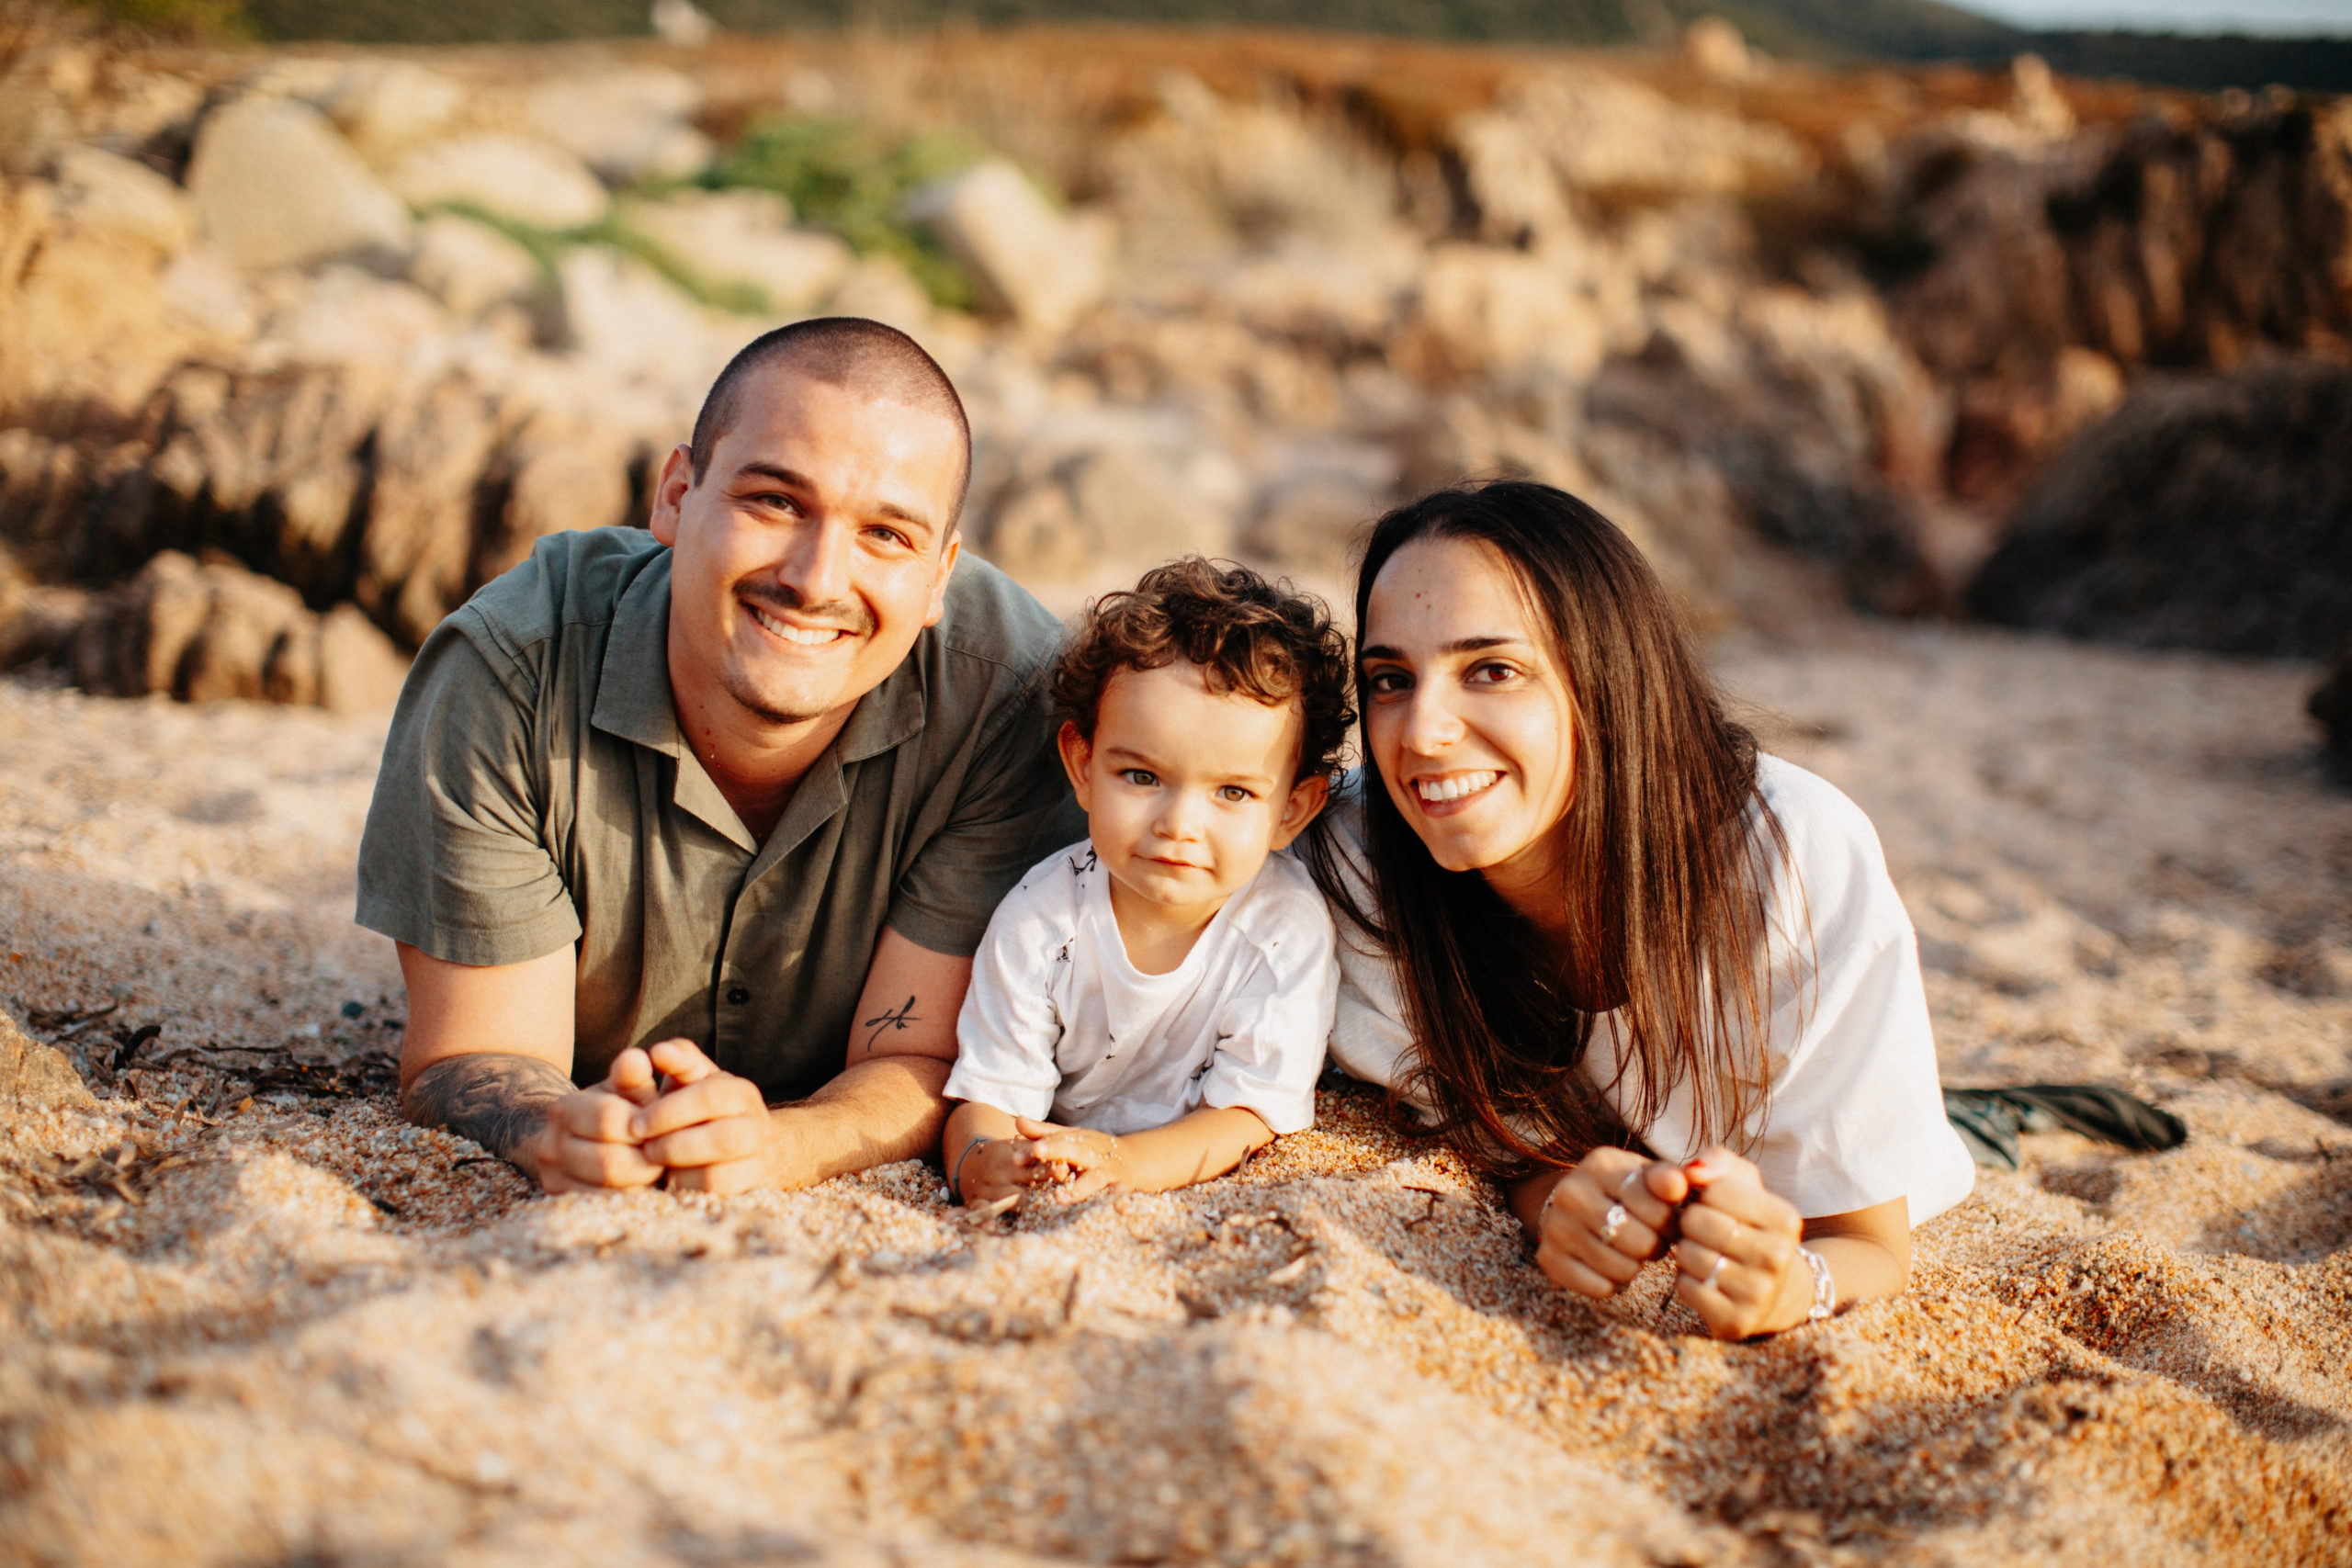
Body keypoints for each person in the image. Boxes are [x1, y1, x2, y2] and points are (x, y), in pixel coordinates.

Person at [357, 317, 1081, 1196]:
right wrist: (560, 1132)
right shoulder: (509, 671)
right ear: (674, 494)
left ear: (940, 575)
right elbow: (473, 1051)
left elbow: (925, 1055)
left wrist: (781, 1145)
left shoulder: (1012, 704)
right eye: (775, 501)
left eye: (886, 535)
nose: (817, 579)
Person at [1306, 481, 1974, 1339]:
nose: (1423, 731)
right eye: (1391, 678)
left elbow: (1868, 1242)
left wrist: (1791, 1285)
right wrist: (1561, 1204)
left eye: (1494, 669)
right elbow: (1513, 1150)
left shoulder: (1789, 857)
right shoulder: (1359, 863)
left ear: (1606, 677)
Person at [943, 558, 1349, 1206]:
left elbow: (1248, 1117)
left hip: (1173, 1176)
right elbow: (987, 1095)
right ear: (1082, 764)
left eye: (1234, 791)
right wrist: (981, 1160)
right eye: (1141, 776)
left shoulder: (1282, 929)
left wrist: (1124, 1162)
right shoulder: (1038, 920)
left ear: (1293, 810)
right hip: (1062, 1149)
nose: (1179, 824)